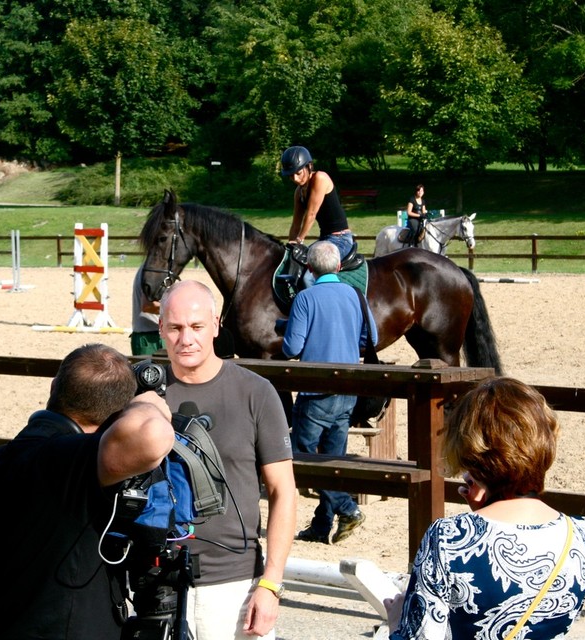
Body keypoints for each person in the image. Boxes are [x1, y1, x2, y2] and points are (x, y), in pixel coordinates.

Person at [0, 344, 174, 640]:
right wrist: (147, 401)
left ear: (54, 386)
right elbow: (152, 434)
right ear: (116, 419)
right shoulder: (74, 463)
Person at [384, 377, 585, 640]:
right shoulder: (581, 534)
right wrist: (485, 509)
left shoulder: (447, 537)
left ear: (470, 447)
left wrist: (395, 623)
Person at [158, 280, 296, 639]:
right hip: (156, 581)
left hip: (235, 585)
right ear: (160, 329)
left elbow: (284, 491)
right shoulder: (143, 393)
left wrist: (270, 585)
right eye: (174, 328)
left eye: (196, 326)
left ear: (217, 325)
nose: (185, 338)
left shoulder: (257, 393)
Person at [282, 242, 365, 545]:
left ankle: (347, 508)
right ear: (340, 267)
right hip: (349, 390)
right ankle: (321, 525)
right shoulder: (355, 295)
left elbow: (292, 348)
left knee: (301, 457)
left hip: (315, 392)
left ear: (310, 269)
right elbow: (371, 337)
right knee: (333, 459)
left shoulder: (305, 298)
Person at [281, 146, 355, 262]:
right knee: (296, 263)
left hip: (340, 239)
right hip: (324, 240)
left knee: (313, 268)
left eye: (298, 173)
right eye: (291, 175)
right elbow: (296, 224)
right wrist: (290, 250)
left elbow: (311, 214)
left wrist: (299, 241)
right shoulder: (298, 192)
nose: (295, 178)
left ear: (309, 166)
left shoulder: (320, 178)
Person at [131, 264, 164, 356]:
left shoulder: (149, 269)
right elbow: (148, 306)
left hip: (150, 336)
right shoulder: (153, 271)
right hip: (150, 339)